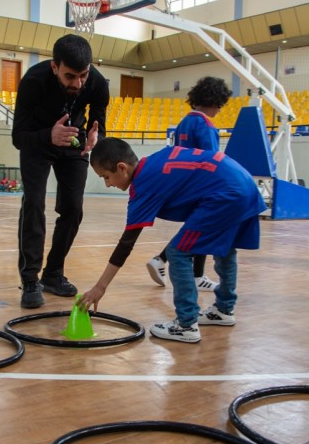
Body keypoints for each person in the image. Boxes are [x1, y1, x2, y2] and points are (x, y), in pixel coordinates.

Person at [77, 137, 267, 343]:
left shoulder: (144, 184)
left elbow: (126, 243)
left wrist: (100, 287)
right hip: (243, 183)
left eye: (106, 177)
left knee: (177, 252)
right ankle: (223, 310)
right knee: (226, 247)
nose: (107, 184)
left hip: (226, 194)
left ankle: (186, 325)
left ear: (122, 168)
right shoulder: (155, 162)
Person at [12, 33, 109, 309]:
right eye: (70, 76)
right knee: (34, 203)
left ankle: (53, 274)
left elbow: (98, 118)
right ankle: (30, 280)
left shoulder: (97, 82)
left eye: (83, 76)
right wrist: (48, 135)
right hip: (38, 141)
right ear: (55, 67)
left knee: (73, 209)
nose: (78, 83)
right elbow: (18, 137)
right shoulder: (33, 81)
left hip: (74, 144)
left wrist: (97, 135)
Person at [146, 76, 232, 292]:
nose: (220, 109)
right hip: (202, 186)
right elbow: (213, 161)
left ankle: (180, 268)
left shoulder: (184, 122)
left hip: (184, 183)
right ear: (214, 101)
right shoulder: (206, 126)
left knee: (196, 227)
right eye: (220, 104)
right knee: (204, 227)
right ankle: (188, 272)